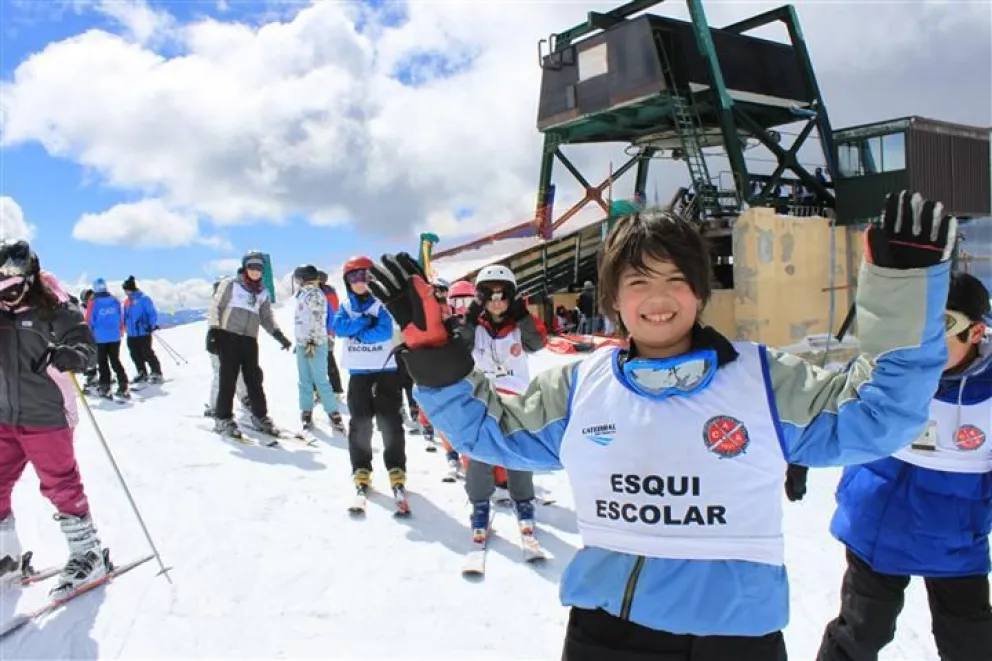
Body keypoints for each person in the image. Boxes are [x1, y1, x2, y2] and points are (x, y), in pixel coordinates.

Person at [368, 190, 956, 661]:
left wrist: (903, 294)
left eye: (676, 280)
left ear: (699, 292)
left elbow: (877, 419)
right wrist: (433, 347)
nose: (659, 298)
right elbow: (489, 433)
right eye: (638, 282)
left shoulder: (763, 381)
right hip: (609, 634)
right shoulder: (581, 386)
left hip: (737, 636)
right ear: (614, 299)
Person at [817, 271, 992, 661]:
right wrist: (800, 460)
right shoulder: (889, 366)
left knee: (970, 642)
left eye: (944, 326)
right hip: (878, 523)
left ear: (977, 332)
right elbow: (832, 405)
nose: (926, 340)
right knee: (861, 631)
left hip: (955, 537)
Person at [0, 240, 108, 598]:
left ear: (29, 277)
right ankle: (7, 559)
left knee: (60, 485)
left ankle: (87, 554)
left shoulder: (54, 308)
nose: (8, 295)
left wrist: (72, 355)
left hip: (46, 414)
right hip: (3, 416)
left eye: (13, 285)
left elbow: (85, 345)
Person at [457, 264, 547, 540]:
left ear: (512, 297)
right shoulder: (478, 327)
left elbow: (538, 342)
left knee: (518, 449)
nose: (497, 302)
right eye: (490, 295)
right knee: (480, 451)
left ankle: (523, 501)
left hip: (516, 396)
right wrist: (469, 320)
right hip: (484, 395)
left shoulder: (518, 325)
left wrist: (523, 317)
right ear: (481, 299)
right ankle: (480, 503)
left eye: (502, 295)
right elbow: (460, 348)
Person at [332, 256, 407, 501]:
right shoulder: (346, 305)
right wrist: (364, 322)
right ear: (347, 282)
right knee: (360, 423)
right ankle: (361, 467)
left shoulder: (381, 303)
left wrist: (360, 333)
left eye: (365, 276)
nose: (360, 282)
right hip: (358, 374)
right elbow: (339, 328)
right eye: (354, 277)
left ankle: (396, 467)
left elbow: (384, 331)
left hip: (385, 371)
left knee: (390, 422)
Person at [207, 250, 292, 438]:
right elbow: (215, 306)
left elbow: (266, 318)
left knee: (254, 380)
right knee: (227, 379)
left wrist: (279, 335)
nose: (255, 271)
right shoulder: (231, 284)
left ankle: (260, 415)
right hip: (228, 336)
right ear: (246, 267)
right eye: (252, 266)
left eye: (259, 268)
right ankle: (223, 417)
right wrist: (213, 331)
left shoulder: (262, 292)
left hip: (249, 340)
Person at [293, 264, 345, 434]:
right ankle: (306, 410)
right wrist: (300, 340)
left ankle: (333, 412)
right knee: (305, 379)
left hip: (312, 343)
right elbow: (303, 320)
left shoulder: (314, 294)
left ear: (302, 278)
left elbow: (316, 320)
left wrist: (311, 342)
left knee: (319, 379)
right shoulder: (303, 294)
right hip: (304, 342)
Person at [204, 277, 249, 417]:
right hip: (218, 347)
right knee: (221, 375)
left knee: (240, 372)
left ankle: (245, 397)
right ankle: (215, 406)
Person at [85, 277, 130, 400]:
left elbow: (89, 321)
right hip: (115, 336)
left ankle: (105, 387)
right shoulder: (115, 301)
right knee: (115, 360)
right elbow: (120, 317)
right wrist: (120, 330)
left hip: (100, 338)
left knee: (103, 362)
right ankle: (123, 384)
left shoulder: (93, 303)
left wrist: (88, 335)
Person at [121, 275, 163, 384]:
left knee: (147, 352)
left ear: (130, 289)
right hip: (131, 333)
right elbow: (125, 315)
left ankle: (156, 372)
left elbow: (152, 313)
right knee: (134, 354)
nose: (125, 292)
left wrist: (151, 325)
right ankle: (141, 372)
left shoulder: (144, 298)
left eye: (125, 290)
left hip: (143, 331)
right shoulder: (127, 301)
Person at [316, 269, 343, 397]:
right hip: (329, 331)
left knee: (321, 360)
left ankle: (330, 390)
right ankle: (336, 389)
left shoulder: (322, 293)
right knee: (327, 359)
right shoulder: (331, 292)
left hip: (322, 331)